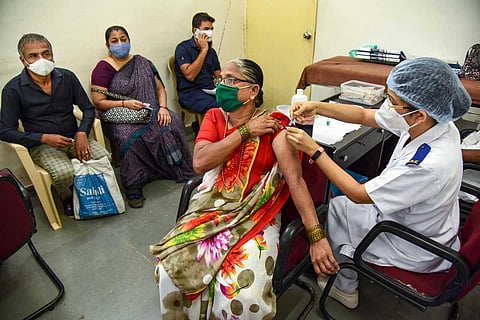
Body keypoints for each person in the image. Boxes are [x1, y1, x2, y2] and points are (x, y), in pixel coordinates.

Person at [150, 58, 338, 319]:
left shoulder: (275, 125)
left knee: (242, 294)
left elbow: (295, 180)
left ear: (253, 91)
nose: (221, 87)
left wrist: (316, 236)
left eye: (230, 79)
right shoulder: (214, 117)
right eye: (220, 79)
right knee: (171, 271)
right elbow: (200, 162)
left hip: (259, 214)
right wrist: (246, 131)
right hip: (211, 206)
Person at [285, 57, 471, 309]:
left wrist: (315, 151)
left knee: (339, 208)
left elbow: (358, 194)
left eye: (393, 102)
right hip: (428, 224)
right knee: (345, 204)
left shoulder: (428, 164)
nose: (389, 106)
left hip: (412, 245)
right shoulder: (434, 122)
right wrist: (317, 106)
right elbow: (364, 113)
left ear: (419, 114)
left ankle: (344, 286)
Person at [0, 33, 110, 217]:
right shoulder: (13, 89)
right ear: (23, 60)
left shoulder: (67, 77)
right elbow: (4, 131)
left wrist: (82, 132)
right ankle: (67, 197)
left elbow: (88, 108)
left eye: (46, 53)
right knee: (64, 172)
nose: (41, 60)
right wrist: (43, 138)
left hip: (74, 137)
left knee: (103, 157)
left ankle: (94, 192)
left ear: (52, 55)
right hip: (43, 145)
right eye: (33, 56)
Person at [91, 25, 194, 209]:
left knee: (173, 121)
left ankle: (173, 166)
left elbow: (160, 88)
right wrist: (125, 104)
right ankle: (134, 185)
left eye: (124, 39)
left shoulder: (142, 62)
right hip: (121, 115)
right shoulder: (103, 68)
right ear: (107, 45)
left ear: (129, 40)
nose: (120, 43)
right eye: (115, 41)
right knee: (125, 136)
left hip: (151, 110)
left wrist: (162, 107)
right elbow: (99, 101)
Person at [174, 12, 221, 134]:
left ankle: (226, 135)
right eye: (206, 29)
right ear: (195, 30)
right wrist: (203, 50)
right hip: (190, 92)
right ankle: (209, 139)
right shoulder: (183, 48)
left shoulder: (212, 52)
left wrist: (229, 84)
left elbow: (218, 75)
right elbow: (190, 75)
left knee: (232, 100)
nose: (209, 32)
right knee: (216, 107)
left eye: (211, 29)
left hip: (210, 89)